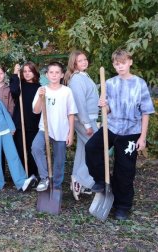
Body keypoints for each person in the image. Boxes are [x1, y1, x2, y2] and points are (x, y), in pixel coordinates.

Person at [85, 49, 155, 220]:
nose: (120, 66)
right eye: (117, 64)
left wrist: (142, 137)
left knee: (125, 171)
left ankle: (122, 206)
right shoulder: (109, 83)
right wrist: (104, 105)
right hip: (112, 127)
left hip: (131, 132)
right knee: (91, 148)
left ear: (130, 62)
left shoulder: (140, 84)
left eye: (123, 62)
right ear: (114, 65)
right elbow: (108, 110)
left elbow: (146, 112)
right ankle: (101, 180)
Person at [31, 62, 77, 191]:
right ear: (46, 75)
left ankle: (56, 186)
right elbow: (36, 110)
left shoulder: (67, 91)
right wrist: (41, 97)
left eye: (57, 72)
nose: (54, 75)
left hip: (62, 130)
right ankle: (45, 178)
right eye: (51, 72)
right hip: (44, 128)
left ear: (62, 75)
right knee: (36, 147)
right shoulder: (42, 90)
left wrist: (71, 133)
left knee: (59, 160)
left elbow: (71, 113)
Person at [64, 50, 99, 200]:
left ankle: (79, 182)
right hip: (84, 121)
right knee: (99, 149)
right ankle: (80, 178)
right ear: (74, 64)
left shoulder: (84, 76)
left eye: (85, 59)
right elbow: (80, 104)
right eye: (80, 61)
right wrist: (87, 124)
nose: (84, 62)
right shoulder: (77, 79)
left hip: (89, 119)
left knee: (83, 150)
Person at [10, 62, 41, 178]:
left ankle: (34, 174)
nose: (27, 74)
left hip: (33, 124)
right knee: (20, 151)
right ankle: (24, 175)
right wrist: (14, 74)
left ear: (34, 72)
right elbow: (13, 91)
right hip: (20, 123)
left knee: (32, 150)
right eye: (25, 71)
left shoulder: (39, 88)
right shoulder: (20, 85)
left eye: (30, 71)